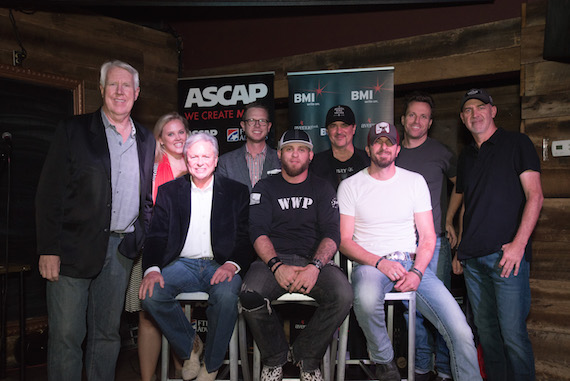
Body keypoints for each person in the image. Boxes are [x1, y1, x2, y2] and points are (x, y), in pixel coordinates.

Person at [36, 60, 155, 381]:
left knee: (107, 336)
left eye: (126, 85)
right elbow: (49, 194)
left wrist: (138, 237)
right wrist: (48, 248)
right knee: (66, 338)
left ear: (137, 92)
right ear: (101, 89)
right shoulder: (73, 131)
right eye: (113, 85)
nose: (120, 92)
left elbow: (147, 199)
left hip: (120, 252)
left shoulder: (146, 139)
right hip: (71, 250)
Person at [337, 122, 481, 381]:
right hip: (370, 263)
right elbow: (345, 241)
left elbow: (427, 237)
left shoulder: (414, 182)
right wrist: (379, 262)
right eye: (377, 142)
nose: (383, 147)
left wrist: (417, 272)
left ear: (397, 148)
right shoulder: (350, 185)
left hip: (411, 263)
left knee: (461, 330)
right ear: (368, 149)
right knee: (367, 299)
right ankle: (385, 362)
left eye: (389, 142)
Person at [240, 130, 353, 381]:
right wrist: (276, 265)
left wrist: (315, 266)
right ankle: (276, 357)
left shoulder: (323, 188)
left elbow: (333, 233)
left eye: (301, 149)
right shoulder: (265, 187)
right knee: (250, 294)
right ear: (279, 154)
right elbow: (257, 231)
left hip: (313, 261)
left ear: (310, 155)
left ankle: (307, 357)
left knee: (343, 295)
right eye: (289, 149)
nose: (295, 154)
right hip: (272, 261)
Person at [140, 133, 252, 381]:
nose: (199, 162)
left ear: (215, 160)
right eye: (194, 156)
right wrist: (153, 270)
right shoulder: (170, 192)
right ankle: (191, 346)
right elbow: (156, 236)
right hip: (181, 265)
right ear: (186, 159)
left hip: (219, 264)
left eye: (205, 156)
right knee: (152, 294)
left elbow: (246, 238)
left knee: (225, 295)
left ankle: (211, 367)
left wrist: (232, 265)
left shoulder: (236, 191)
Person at [454, 88, 543, 381]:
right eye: (467, 110)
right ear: (463, 119)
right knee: (488, 336)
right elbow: (468, 205)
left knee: (512, 336)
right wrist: (460, 250)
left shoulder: (517, 143)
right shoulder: (466, 156)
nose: (474, 114)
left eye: (480, 107)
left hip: (506, 258)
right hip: (473, 260)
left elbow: (535, 196)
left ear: (493, 111)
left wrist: (518, 245)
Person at [395, 92, 457, 381]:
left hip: (436, 243)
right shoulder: (393, 152)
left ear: (430, 122)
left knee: (441, 306)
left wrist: (449, 218)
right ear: (403, 119)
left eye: (423, 116)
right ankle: (421, 363)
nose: (416, 120)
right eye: (412, 115)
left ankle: (444, 367)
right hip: (403, 246)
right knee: (411, 309)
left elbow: (462, 188)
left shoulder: (442, 153)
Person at [124, 112, 190, 381]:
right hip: (152, 249)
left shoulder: (200, 162)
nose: (177, 138)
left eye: (181, 132)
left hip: (187, 251)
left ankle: (181, 371)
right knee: (147, 315)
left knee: (177, 312)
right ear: (160, 140)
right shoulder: (148, 168)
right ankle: (147, 378)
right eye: (170, 133)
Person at [217, 102, 281, 191]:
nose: (257, 125)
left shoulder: (281, 159)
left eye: (262, 121)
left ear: (269, 126)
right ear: (243, 125)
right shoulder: (226, 162)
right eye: (251, 120)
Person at [310, 104, 370, 190]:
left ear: (353, 128)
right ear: (327, 131)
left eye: (344, 125)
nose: (339, 131)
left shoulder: (368, 161)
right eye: (333, 126)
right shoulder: (315, 164)